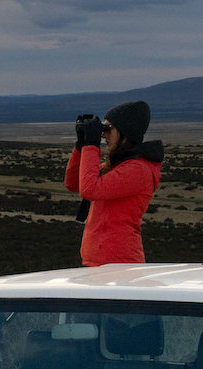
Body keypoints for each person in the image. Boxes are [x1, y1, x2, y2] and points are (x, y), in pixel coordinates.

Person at [64, 99, 164, 266]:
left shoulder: (137, 170)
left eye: (109, 129)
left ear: (125, 134)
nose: (104, 135)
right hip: (99, 262)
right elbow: (73, 183)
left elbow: (89, 189)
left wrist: (91, 145)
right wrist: (81, 145)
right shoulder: (117, 166)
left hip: (120, 263)